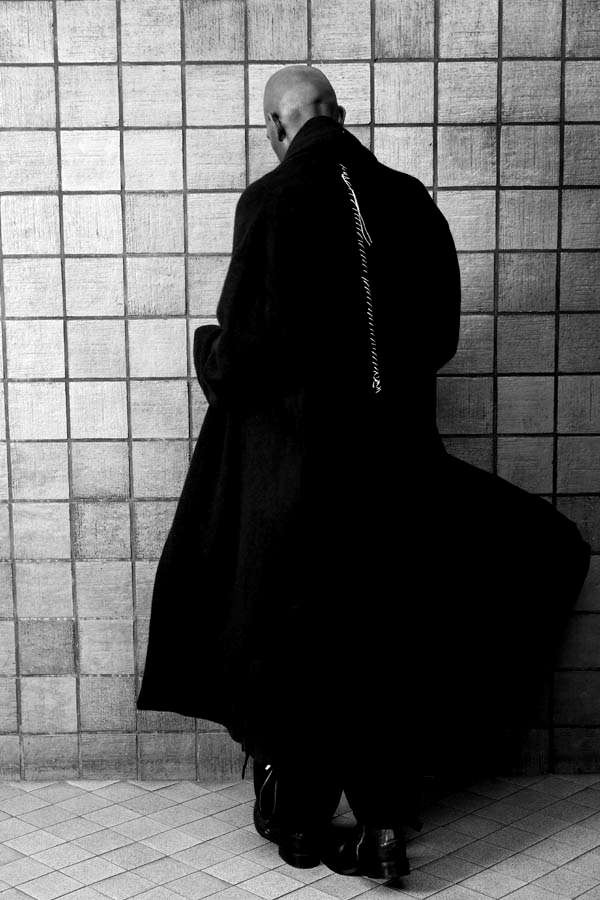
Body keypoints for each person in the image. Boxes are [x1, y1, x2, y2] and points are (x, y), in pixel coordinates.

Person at [136, 65, 592, 880]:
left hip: (301, 476)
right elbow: (440, 339)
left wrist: (208, 349)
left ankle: (300, 822)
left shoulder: (271, 200)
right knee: (385, 633)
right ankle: (383, 820)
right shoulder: (410, 198)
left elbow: (249, 348)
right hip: (398, 469)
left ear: (276, 130)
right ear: (338, 115)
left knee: (295, 637)